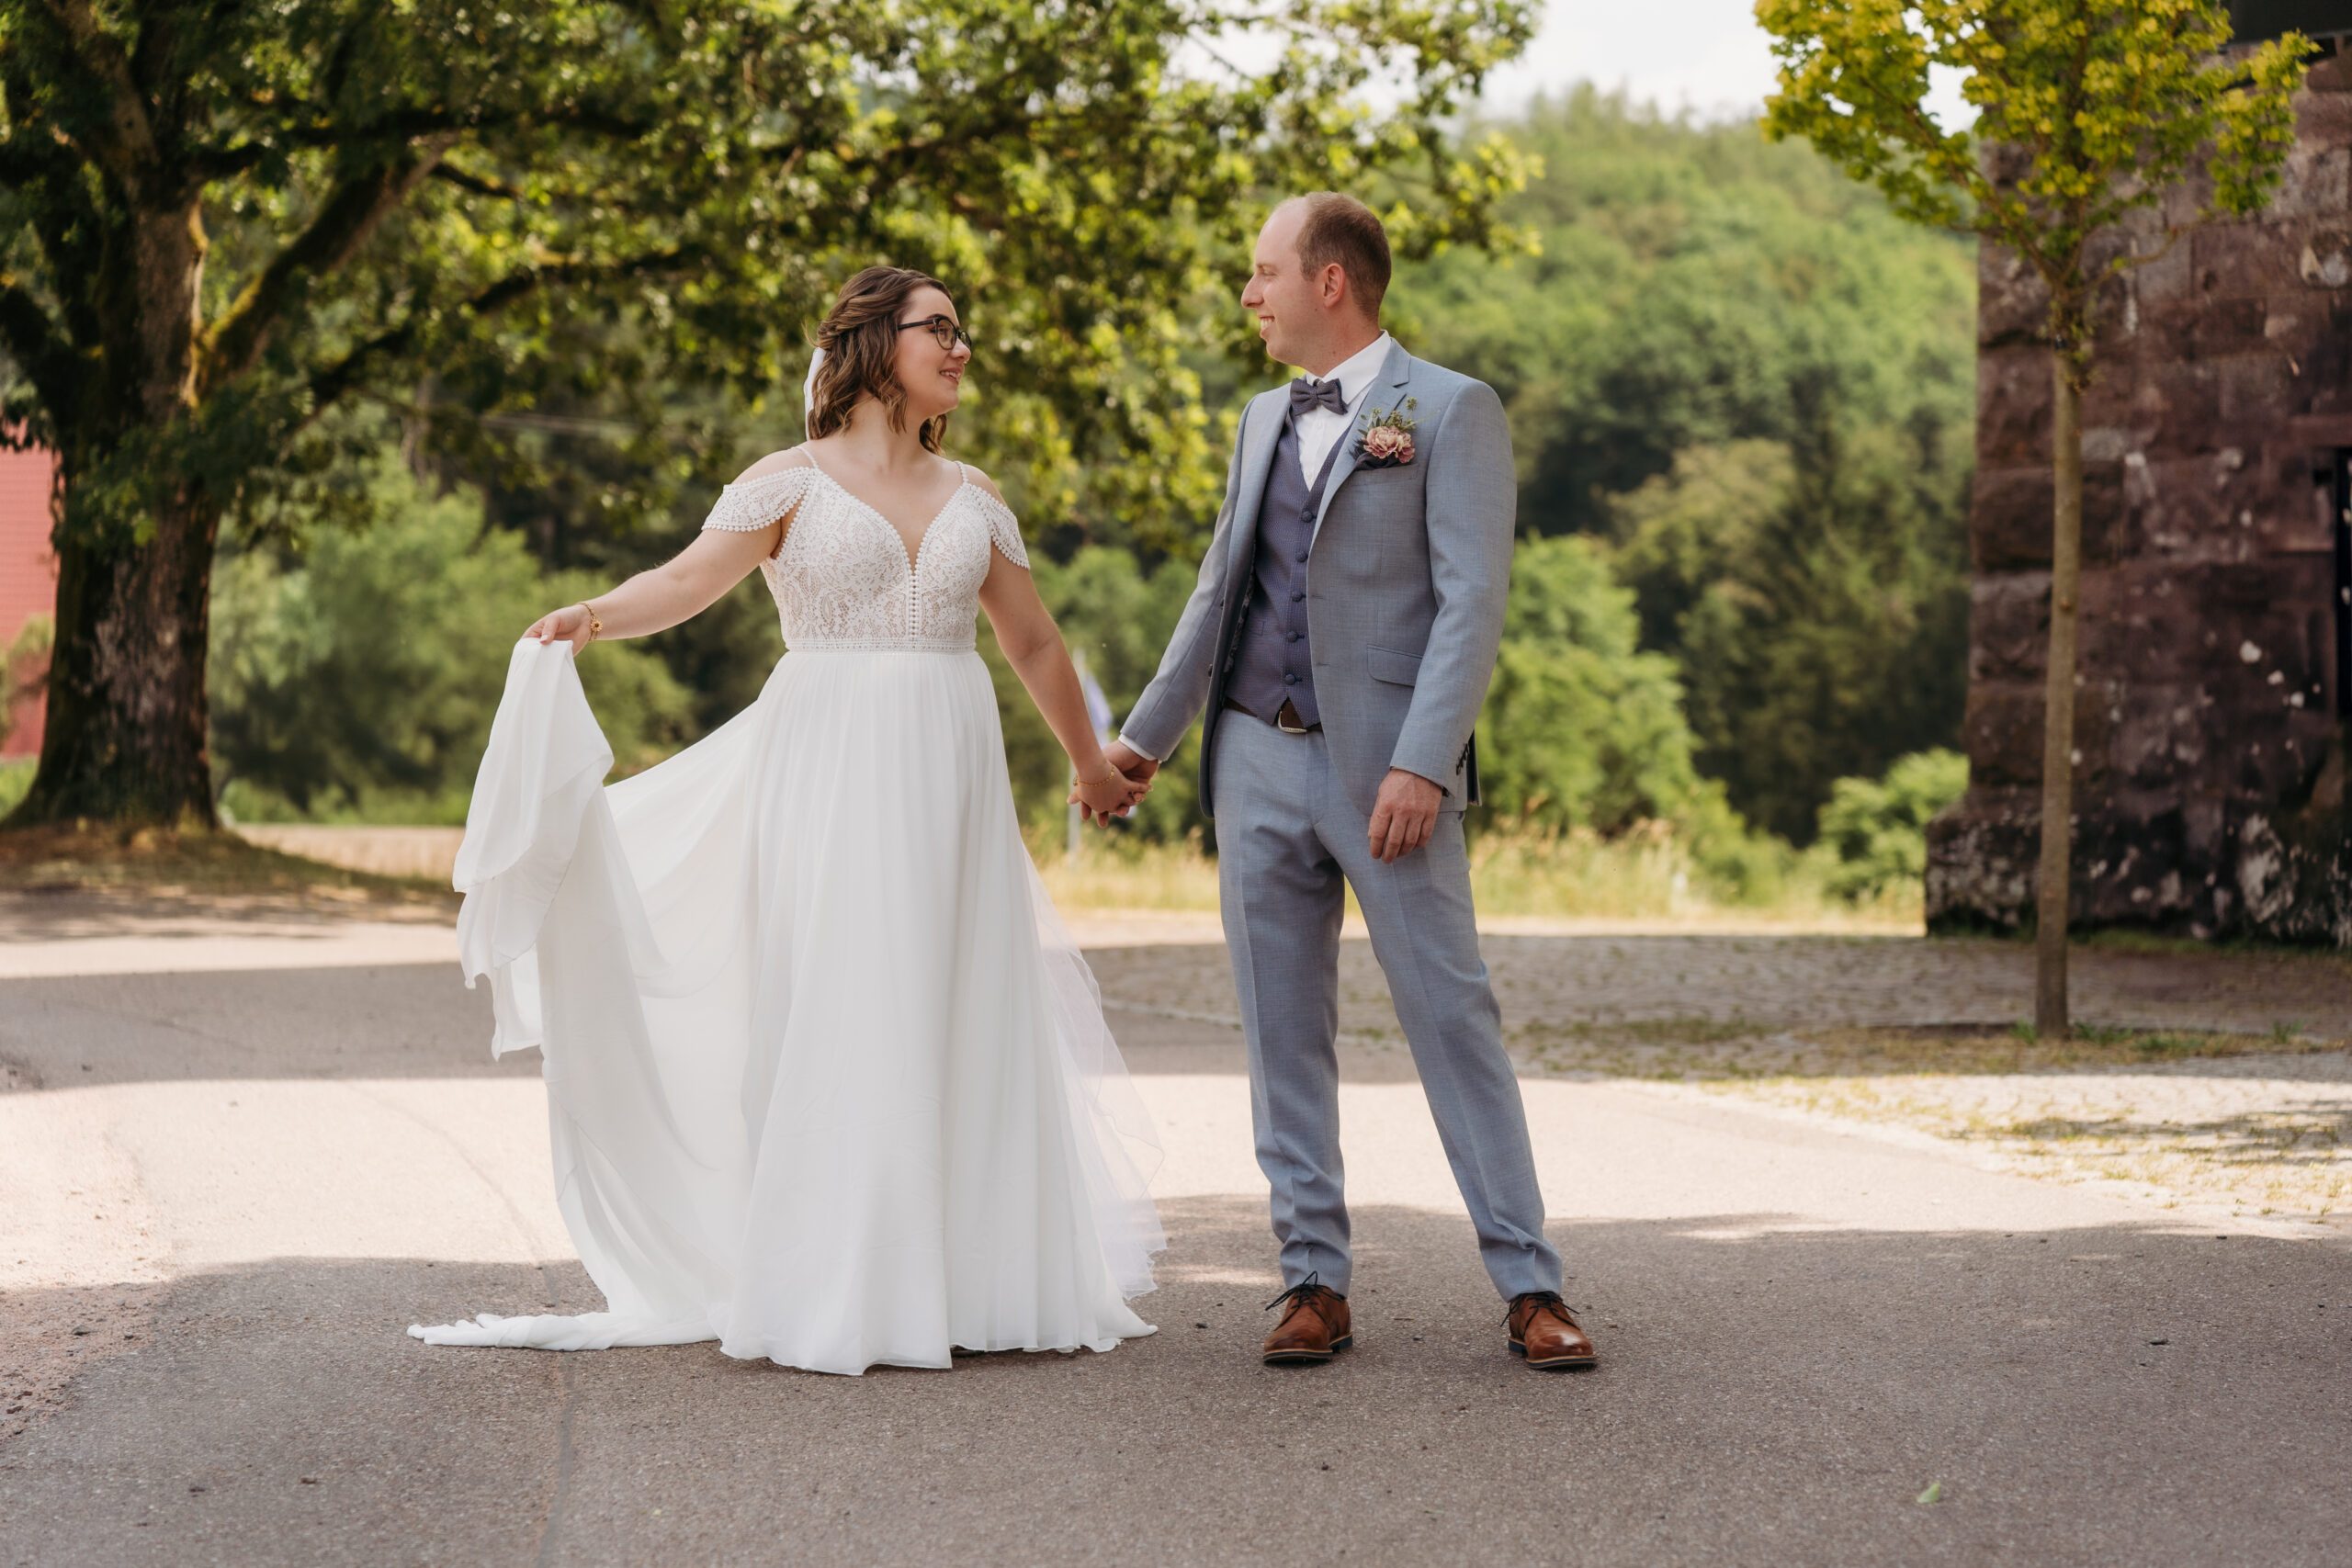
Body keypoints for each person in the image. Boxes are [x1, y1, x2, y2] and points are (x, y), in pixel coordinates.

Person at [408, 265, 1167, 1376]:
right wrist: (593, 618)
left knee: (955, 990)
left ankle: (971, 1276)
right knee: (846, 994)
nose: (960, 349)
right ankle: (840, 1280)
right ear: (873, 342)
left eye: (963, 332)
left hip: (950, 762)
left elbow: (1035, 643)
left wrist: (1090, 764)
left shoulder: (977, 493)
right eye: (939, 329)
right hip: (828, 764)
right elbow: (685, 581)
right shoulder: (786, 481)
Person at [1088, 193, 1596, 1371]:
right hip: (1254, 759)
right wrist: (1142, 747)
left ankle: (1530, 1286)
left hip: (1388, 772)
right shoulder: (1262, 416)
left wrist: (1425, 760)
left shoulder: (1452, 410)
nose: (1248, 294)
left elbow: (1472, 603)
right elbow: (1220, 594)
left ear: (1330, 283)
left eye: (1263, 272)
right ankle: (1311, 1281)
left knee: (1449, 1016)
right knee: (1280, 1029)